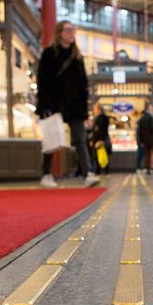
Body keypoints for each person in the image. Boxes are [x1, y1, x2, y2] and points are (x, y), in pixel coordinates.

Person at [36, 20, 99, 188]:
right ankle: (46, 173)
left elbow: (83, 84)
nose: (72, 33)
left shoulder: (77, 57)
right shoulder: (49, 53)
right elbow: (42, 80)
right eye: (68, 30)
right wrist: (45, 104)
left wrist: (85, 109)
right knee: (52, 138)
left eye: (73, 30)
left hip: (74, 105)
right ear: (60, 32)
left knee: (80, 138)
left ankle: (88, 173)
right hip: (53, 102)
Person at [137, 103, 153, 174]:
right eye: (151, 109)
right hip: (152, 139)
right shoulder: (151, 117)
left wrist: (141, 140)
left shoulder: (142, 118)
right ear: (149, 109)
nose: (152, 110)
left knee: (147, 155)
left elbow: (139, 130)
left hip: (145, 140)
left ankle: (148, 168)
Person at [90, 103, 110, 175]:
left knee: (102, 156)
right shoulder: (99, 117)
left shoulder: (102, 118)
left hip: (100, 140)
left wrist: (101, 140)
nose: (93, 110)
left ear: (98, 109)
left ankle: (102, 171)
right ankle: (98, 171)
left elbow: (101, 130)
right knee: (98, 156)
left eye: (94, 109)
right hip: (97, 140)